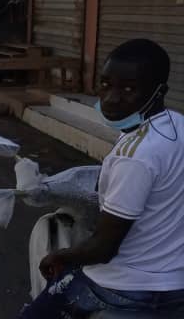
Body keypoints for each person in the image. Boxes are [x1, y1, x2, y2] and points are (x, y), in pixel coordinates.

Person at [19, 39, 184, 318]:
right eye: (106, 84)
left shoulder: (135, 155)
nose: (111, 98)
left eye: (129, 89)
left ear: (159, 91)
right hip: (174, 287)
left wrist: (61, 256)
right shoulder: (176, 125)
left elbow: (102, 248)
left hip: (119, 289)